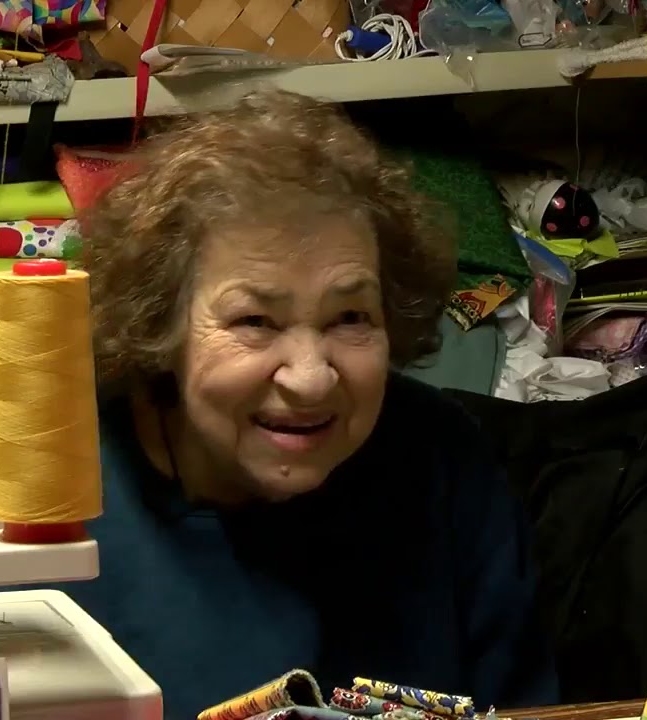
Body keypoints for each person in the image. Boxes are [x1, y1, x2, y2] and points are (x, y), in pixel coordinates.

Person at [60, 90, 558, 720]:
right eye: (255, 321)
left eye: (350, 317)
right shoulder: (69, 491)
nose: (311, 378)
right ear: (162, 327)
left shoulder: (439, 462)